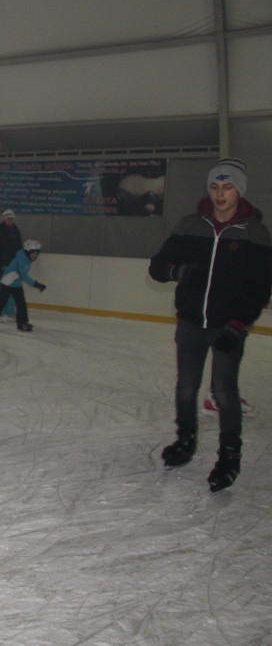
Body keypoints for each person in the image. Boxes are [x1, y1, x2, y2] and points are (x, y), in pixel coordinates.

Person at [148, 158, 271, 493]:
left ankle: (229, 457)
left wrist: (238, 325)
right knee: (186, 387)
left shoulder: (255, 232)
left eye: (227, 187)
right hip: (191, 323)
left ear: (239, 190)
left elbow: (260, 287)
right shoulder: (191, 224)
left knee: (224, 392)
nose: (220, 194)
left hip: (227, 326)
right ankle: (185, 441)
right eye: (215, 187)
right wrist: (178, 272)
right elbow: (157, 267)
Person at [0, 239, 46, 332]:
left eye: (37, 253)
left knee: (21, 304)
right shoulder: (21, 260)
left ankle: (22, 323)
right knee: (1, 303)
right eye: (34, 253)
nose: (35, 256)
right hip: (7, 283)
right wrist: (36, 284)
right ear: (28, 252)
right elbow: (23, 275)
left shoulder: (27, 259)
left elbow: (21, 275)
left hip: (16, 284)